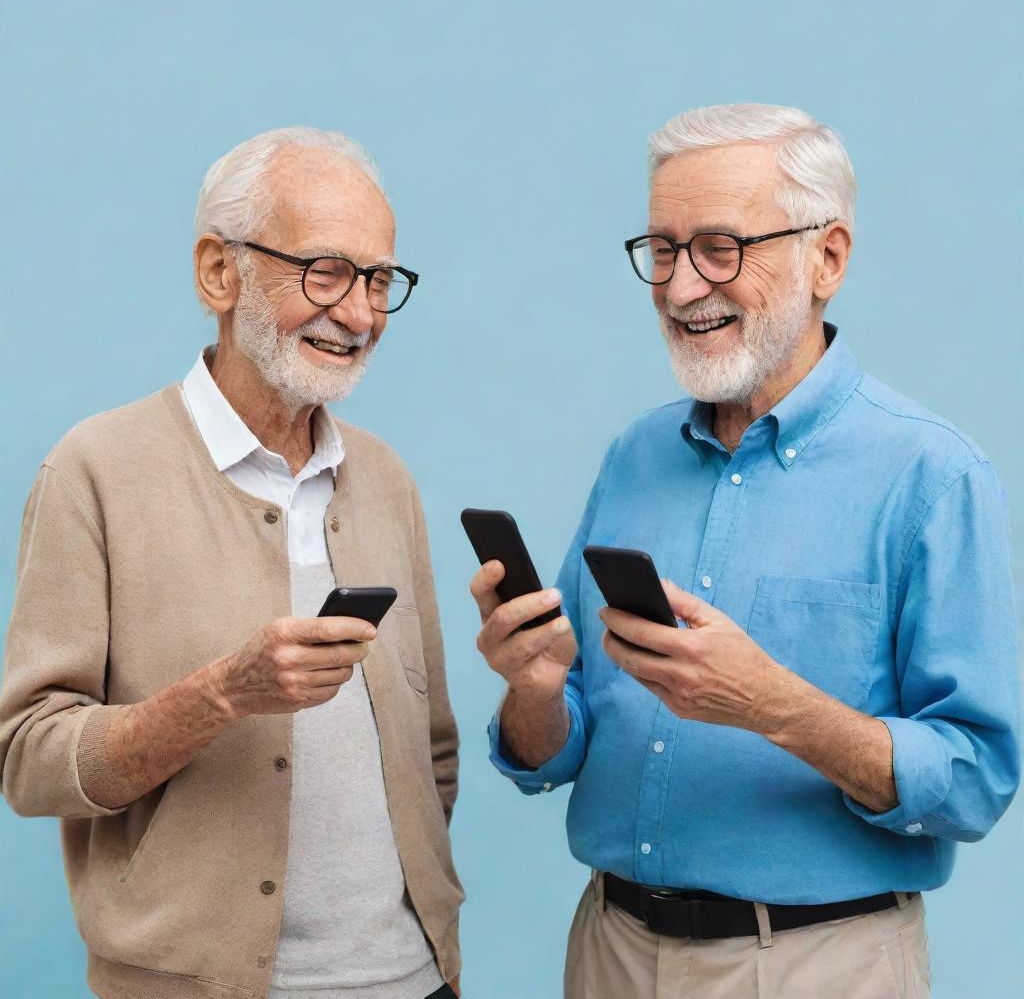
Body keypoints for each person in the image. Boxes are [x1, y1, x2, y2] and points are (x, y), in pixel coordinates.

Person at [471, 103, 1019, 998]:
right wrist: (533, 690)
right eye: (662, 249)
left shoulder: (933, 475)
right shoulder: (634, 456)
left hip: (816, 966)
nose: (683, 286)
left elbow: (974, 783)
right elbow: (556, 742)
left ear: (828, 257)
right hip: (608, 952)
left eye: (721, 248)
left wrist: (775, 706)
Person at [0, 127, 462, 999]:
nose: (360, 313)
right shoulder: (93, 470)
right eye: (324, 271)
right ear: (219, 272)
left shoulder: (386, 478)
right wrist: (218, 698)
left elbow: (432, 746)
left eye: (378, 281)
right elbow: (28, 758)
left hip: (416, 981)